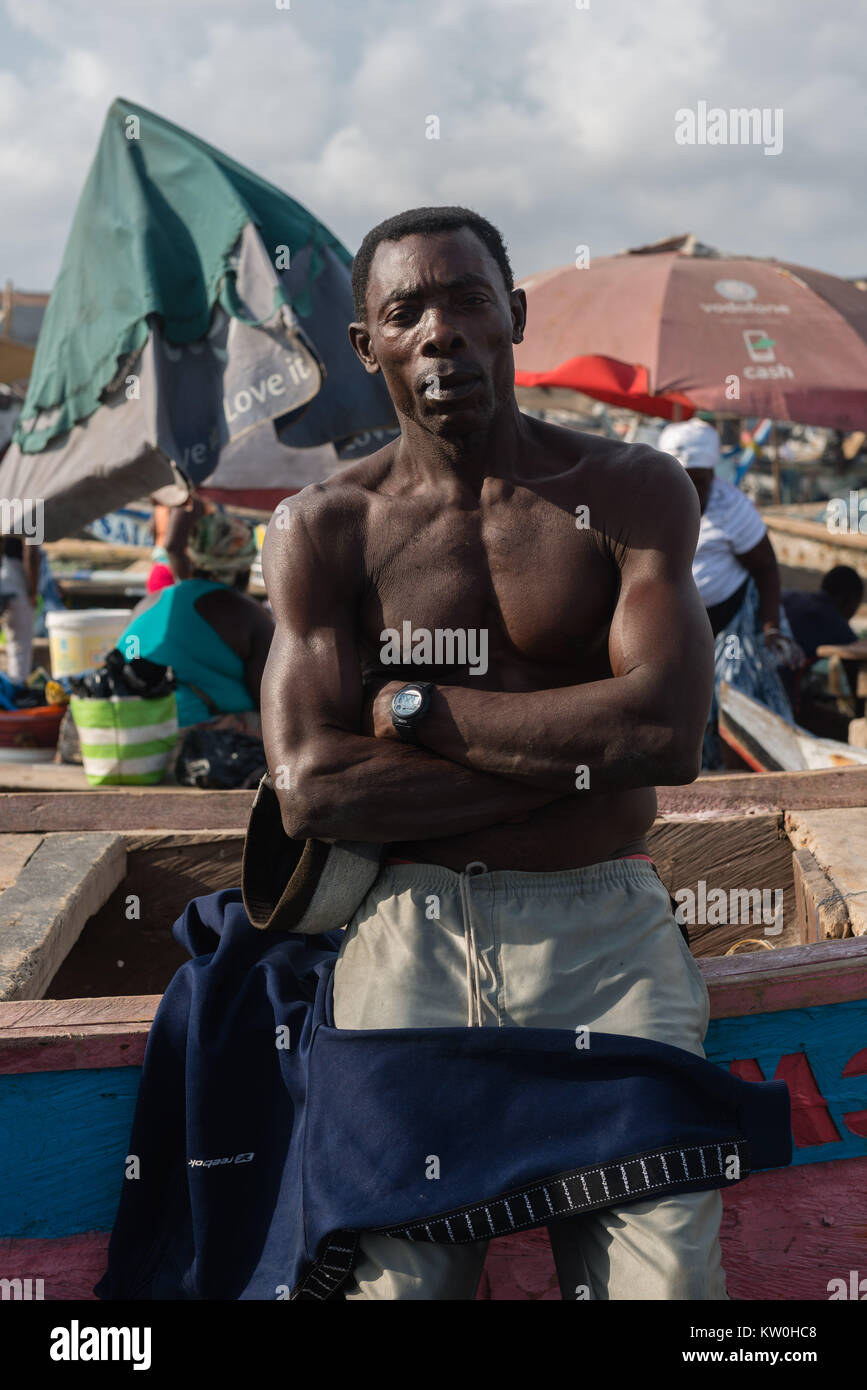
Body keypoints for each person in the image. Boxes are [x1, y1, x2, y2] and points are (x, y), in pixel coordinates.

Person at [260, 206, 728, 1300]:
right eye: (404, 312)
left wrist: (420, 714)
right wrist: (576, 750)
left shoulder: (629, 493)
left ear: (512, 316)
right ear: (365, 346)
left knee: (668, 1294)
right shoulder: (325, 526)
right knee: (401, 1291)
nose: (441, 333)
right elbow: (312, 786)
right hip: (409, 937)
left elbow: (666, 732)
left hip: (607, 932)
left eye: (468, 300)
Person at [657, 417, 799, 770]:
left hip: (731, 619)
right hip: (678, 625)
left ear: (711, 475)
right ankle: (696, 773)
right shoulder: (648, 507)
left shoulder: (731, 508)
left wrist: (770, 626)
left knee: (733, 695)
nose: (694, 494)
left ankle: (743, 780)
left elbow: (765, 566)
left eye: (701, 483)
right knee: (680, 698)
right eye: (683, 483)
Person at [118, 512, 273, 729]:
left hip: (120, 720)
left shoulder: (149, 602)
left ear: (193, 558)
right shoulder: (249, 615)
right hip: (186, 732)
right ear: (244, 568)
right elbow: (269, 701)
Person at [782, 566, 863, 663]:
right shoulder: (836, 624)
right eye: (855, 605)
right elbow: (858, 653)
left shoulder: (790, 595)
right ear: (847, 599)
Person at [0, 534, 40, 682]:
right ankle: (18, 691)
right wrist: (33, 591)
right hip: (17, 586)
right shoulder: (32, 513)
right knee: (20, 649)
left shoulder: (5, 512)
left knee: (14, 647)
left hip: (5, 581)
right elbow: (31, 552)